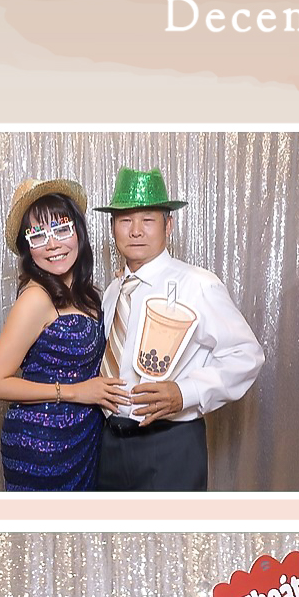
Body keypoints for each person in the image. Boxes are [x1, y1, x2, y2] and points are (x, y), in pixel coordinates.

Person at [93, 167, 264, 492]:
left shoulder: (197, 284)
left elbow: (246, 355)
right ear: (113, 227)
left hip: (170, 445)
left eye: (148, 220)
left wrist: (186, 393)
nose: (136, 231)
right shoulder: (114, 291)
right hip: (110, 444)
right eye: (125, 220)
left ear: (168, 225)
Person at [0, 178, 127, 491]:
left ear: (79, 232)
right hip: (42, 444)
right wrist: (75, 392)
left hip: (84, 437)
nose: (52, 244)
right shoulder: (36, 298)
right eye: (38, 235)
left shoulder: (87, 294)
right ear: (27, 249)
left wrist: (127, 285)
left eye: (61, 229)